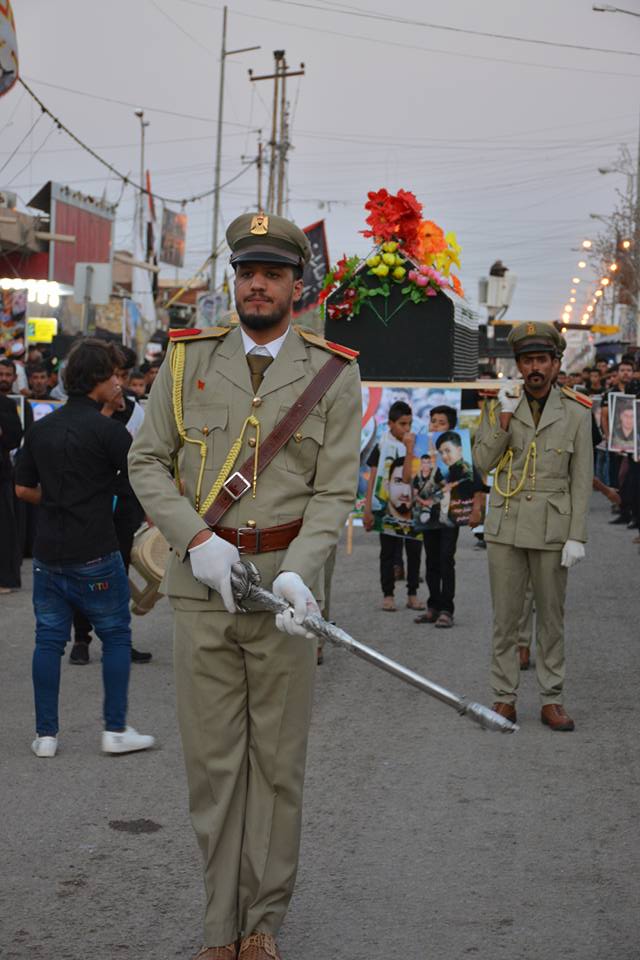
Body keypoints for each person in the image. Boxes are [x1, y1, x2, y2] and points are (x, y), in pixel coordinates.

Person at [128, 212, 362, 960]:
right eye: (245, 271)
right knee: (214, 768)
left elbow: (334, 492)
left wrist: (301, 569)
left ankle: (263, 923)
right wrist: (194, 540)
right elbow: (146, 463)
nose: (254, 284)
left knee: (278, 766)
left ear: (299, 285)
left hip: (283, 595)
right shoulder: (186, 360)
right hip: (203, 590)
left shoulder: (332, 373)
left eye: (271, 273)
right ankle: (218, 928)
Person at [14, 338, 155, 759]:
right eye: (113, 374)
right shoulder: (111, 433)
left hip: (47, 554)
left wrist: (57, 498)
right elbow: (139, 484)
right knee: (115, 636)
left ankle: (45, 736)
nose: (119, 381)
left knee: (47, 641)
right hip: (95, 549)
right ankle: (114, 729)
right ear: (97, 379)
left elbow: (22, 487)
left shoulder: (41, 429)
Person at [473, 321, 593, 731]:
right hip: (506, 525)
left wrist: (577, 534)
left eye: (542, 359)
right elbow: (482, 464)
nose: (534, 367)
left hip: (551, 530)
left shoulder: (576, 412)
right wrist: (504, 421)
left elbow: (580, 479)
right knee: (505, 619)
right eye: (527, 360)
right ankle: (504, 697)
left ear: (557, 363)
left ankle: (551, 698)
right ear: (519, 366)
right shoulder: (498, 406)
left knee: (551, 619)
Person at [363, 400, 425, 612]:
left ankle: (412, 594)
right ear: (390, 424)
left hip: (413, 508)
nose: (406, 429)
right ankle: (388, 594)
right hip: (387, 507)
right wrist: (368, 508)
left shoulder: (417, 446)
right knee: (388, 552)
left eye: (409, 424)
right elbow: (372, 478)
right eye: (402, 424)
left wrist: (410, 449)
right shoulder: (381, 446)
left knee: (414, 551)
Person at [414, 407, 469, 629]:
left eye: (441, 422)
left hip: (449, 515)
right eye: (433, 421)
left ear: (451, 428)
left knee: (446, 558)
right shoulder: (426, 458)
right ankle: (433, 605)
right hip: (429, 515)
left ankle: (447, 608)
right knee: (432, 560)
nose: (435, 425)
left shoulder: (457, 461)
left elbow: (465, 481)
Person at [0, 386, 23, 592]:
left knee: (4, 528)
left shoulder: (6, 404)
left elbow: (15, 437)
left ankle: (4, 578)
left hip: (1, 475)